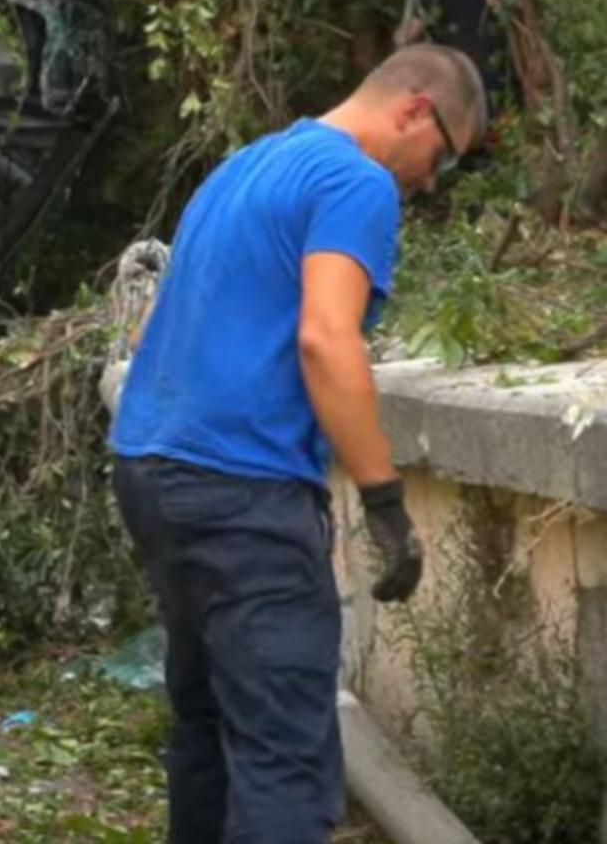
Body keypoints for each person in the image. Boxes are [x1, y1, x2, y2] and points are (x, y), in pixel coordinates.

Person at [108, 44, 487, 842]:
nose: (429, 181)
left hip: (152, 471)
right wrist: (383, 500)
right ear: (416, 110)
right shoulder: (354, 182)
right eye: (444, 159)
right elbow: (326, 339)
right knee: (284, 755)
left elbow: (155, 329)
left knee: (207, 728)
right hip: (239, 490)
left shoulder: (245, 167)